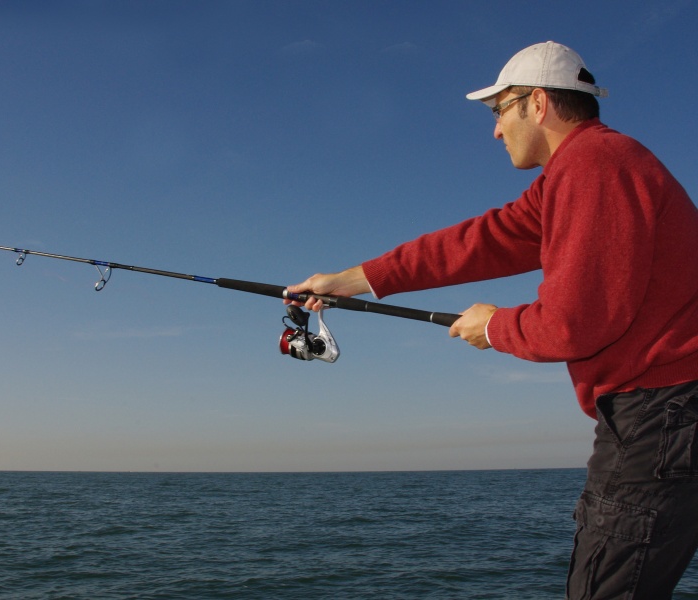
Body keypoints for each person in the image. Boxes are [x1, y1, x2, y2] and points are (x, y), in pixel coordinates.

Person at [286, 41, 698, 599]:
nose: (496, 131)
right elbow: (476, 243)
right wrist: (350, 279)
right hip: (668, 415)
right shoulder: (578, 172)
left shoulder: (594, 165)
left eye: (499, 110)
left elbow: (576, 323)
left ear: (537, 103)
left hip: (661, 415)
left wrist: (495, 326)